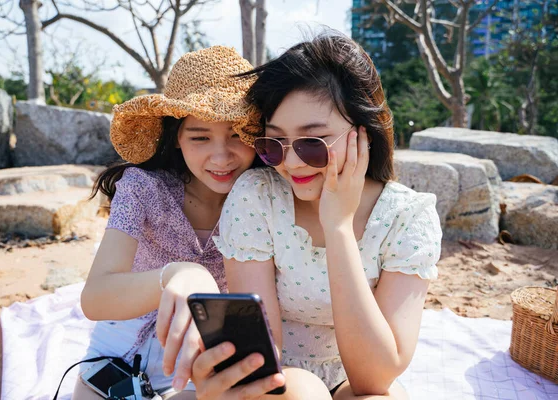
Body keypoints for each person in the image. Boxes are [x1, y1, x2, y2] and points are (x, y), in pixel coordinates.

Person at [201, 32, 443, 399]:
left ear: (365, 135)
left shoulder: (407, 218)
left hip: (358, 374)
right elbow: (265, 354)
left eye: (312, 143)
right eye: (274, 143)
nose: (292, 162)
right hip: (282, 378)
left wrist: (340, 228)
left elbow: (373, 380)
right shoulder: (258, 196)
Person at [72, 45, 284, 399]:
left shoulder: (268, 196)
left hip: (208, 362)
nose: (221, 155)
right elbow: (94, 298)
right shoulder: (142, 187)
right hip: (118, 359)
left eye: (236, 135)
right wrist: (177, 274)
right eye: (200, 137)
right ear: (176, 139)